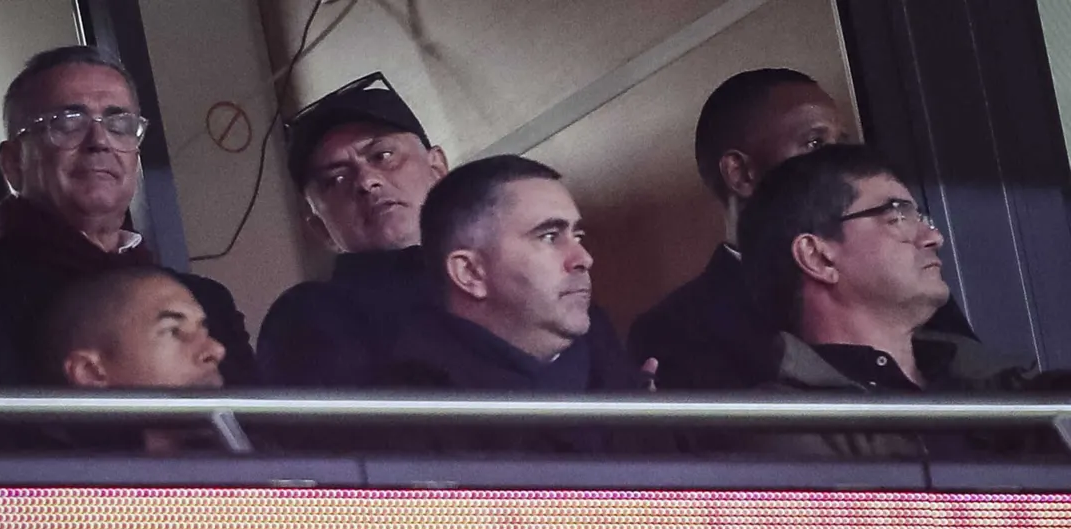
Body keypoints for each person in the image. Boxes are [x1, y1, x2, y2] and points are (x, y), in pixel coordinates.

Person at [0, 46, 254, 387]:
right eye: (68, 122)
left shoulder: (206, 300)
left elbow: (262, 434)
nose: (99, 140)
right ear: (12, 162)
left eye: (119, 124)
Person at [628, 68, 974, 391]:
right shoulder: (677, 328)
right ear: (740, 174)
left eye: (843, 142)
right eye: (815, 144)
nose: (841, 160)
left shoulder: (899, 279)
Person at [737, 144, 1038, 459]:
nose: (934, 238)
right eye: (897, 215)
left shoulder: (999, 383)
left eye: (922, 218)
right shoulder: (791, 427)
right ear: (818, 258)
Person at [369, 155, 662, 454]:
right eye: (549, 237)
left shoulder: (630, 386)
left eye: (578, 235)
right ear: (470, 273)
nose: (583, 258)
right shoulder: (402, 423)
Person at [256, 72, 449, 387]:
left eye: (382, 156)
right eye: (336, 178)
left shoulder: (505, 272)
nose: (366, 181)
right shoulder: (312, 317)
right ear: (321, 229)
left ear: (438, 168)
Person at [43, 267, 226, 454]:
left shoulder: (245, 460)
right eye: (173, 331)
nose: (216, 350)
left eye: (204, 330)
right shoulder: (58, 481)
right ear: (90, 371)